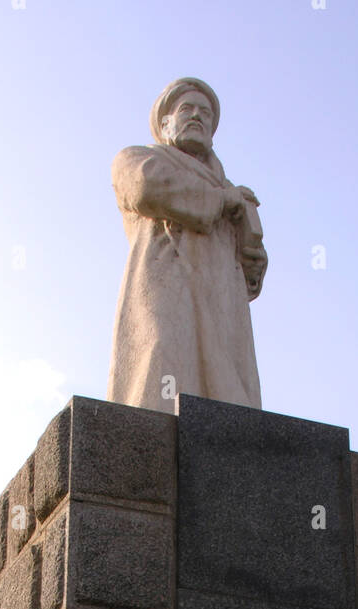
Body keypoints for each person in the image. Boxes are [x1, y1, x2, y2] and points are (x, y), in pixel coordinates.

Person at [107, 77, 267, 414]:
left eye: (205, 114)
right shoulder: (135, 158)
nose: (197, 117)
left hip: (223, 309)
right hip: (166, 294)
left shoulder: (231, 192)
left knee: (231, 408)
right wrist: (221, 201)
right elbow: (147, 187)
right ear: (165, 123)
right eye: (187, 109)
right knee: (161, 386)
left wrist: (248, 235)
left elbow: (251, 276)